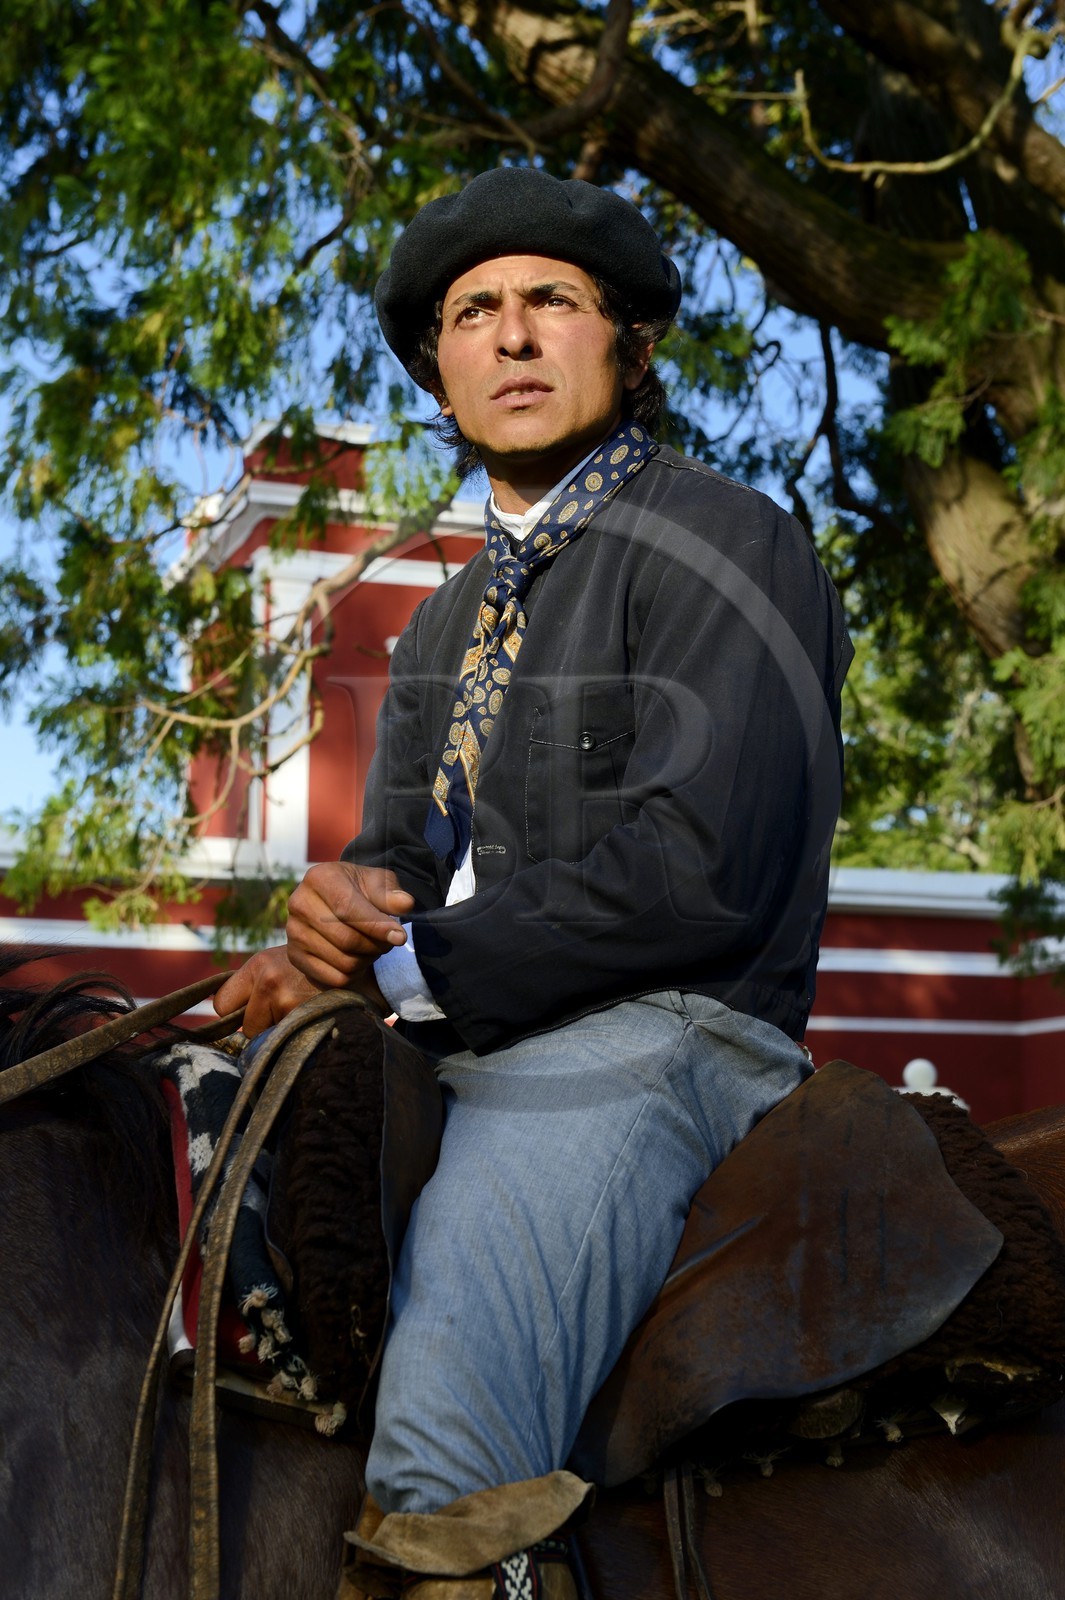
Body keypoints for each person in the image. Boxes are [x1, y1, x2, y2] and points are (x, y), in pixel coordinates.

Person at [216, 165, 852, 1599]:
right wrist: (316, 936)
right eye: (472, 311)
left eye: (549, 304)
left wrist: (401, 967)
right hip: (470, 1029)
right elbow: (395, 859)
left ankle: (469, 1550)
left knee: (442, 1462)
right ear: (436, 371)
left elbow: (699, 871)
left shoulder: (727, 539)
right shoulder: (446, 619)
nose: (509, 336)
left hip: (662, 1038)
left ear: (626, 347)